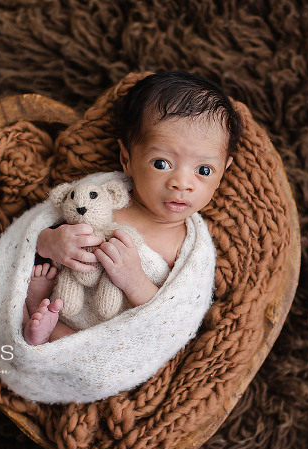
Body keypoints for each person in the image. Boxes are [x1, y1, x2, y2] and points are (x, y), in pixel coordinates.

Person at [23, 70, 242, 345]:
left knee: (86, 350)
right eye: (162, 164)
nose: (182, 184)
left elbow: (173, 320)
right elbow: (31, 232)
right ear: (126, 159)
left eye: (204, 170)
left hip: (114, 340)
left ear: (224, 170)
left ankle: (50, 337)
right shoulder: (102, 197)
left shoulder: (188, 247)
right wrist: (49, 242)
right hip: (65, 298)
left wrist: (134, 280)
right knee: (36, 278)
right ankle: (38, 315)